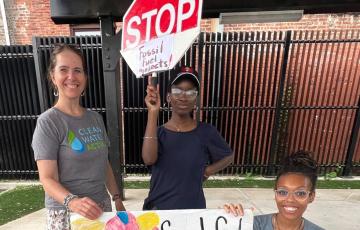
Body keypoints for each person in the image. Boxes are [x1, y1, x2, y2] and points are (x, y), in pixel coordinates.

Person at [31, 44, 125, 230]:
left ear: (85, 77)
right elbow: (47, 178)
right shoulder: (48, 122)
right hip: (66, 213)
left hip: (101, 209)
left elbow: (103, 163)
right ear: (53, 76)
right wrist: (73, 202)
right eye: (63, 70)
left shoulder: (95, 118)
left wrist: (116, 198)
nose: (71, 77)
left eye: (77, 70)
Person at [142, 66, 234, 210]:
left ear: (196, 99)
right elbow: (148, 159)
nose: (184, 97)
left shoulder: (206, 132)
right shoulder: (158, 133)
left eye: (191, 92)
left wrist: (207, 171)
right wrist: (153, 112)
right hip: (158, 212)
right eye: (177, 91)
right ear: (168, 97)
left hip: (193, 211)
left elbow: (228, 156)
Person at [223, 151, 324, 230]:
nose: (290, 200)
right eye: (283, 192)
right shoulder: (251, 225)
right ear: (275, 193)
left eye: (300, 193)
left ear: (311, 197)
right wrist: (229, 220)